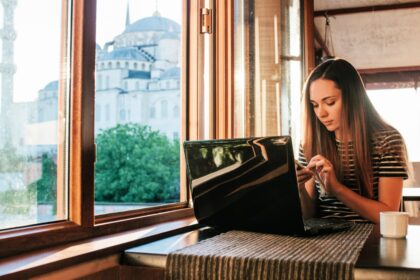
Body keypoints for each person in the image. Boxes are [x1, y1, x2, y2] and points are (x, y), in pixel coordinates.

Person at [297, 58, 408, 224]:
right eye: (314, 105)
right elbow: (308, 216)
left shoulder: (387, 141)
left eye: (330, 102)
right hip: (321, 241)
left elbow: (389, 215)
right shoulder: (309, 143)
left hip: (370, 241)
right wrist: (299, 188)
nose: (321, 113)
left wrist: (338, 190)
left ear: (353, 98)